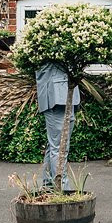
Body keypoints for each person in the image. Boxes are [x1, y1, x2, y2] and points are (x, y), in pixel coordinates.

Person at [36, 61, 80, 190]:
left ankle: (49, 185)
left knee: (55, 145)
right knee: (59, 147)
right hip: (55, 97)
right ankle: (62, 188)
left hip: (69, 93)